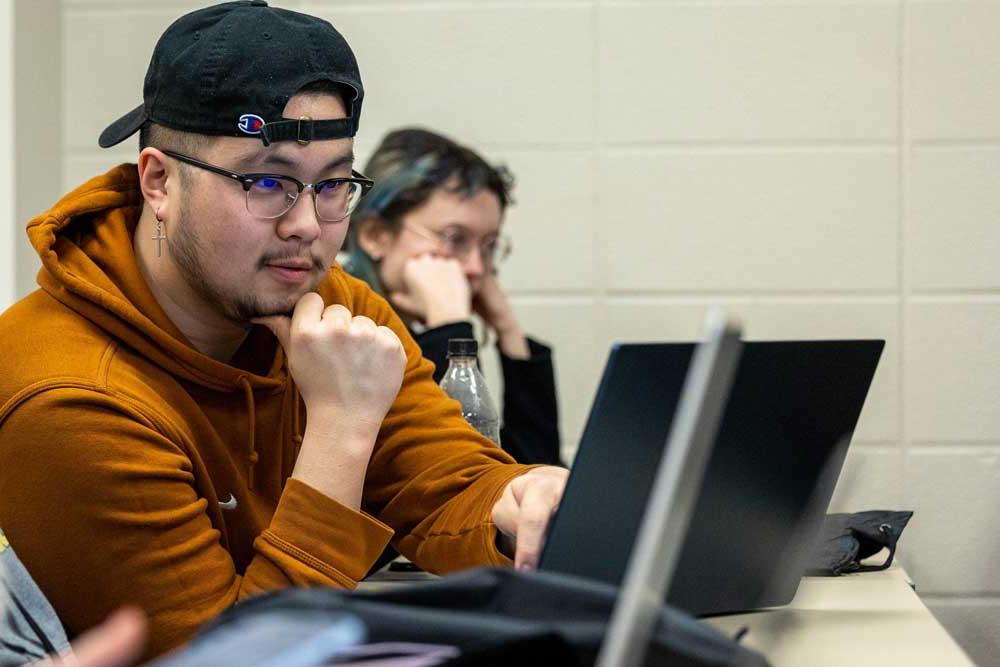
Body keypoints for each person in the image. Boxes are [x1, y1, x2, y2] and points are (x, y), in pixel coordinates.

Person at [0, 2, 566, 660]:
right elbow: (236, 657)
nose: (307, 224)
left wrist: (515, 502)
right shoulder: (69, 398)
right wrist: (341, 428)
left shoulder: (326, 302)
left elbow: (444, 484)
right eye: (267, 181)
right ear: (158, 180)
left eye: (333, 185)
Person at [343, 128, 562, 466]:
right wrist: (449, 330)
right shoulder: (342, 327)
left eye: (488, 246)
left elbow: (532, 477)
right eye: (455, 238)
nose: (476, 268)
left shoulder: (420, 328)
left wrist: (508, 332)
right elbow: (457, 476)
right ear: (375, 234)